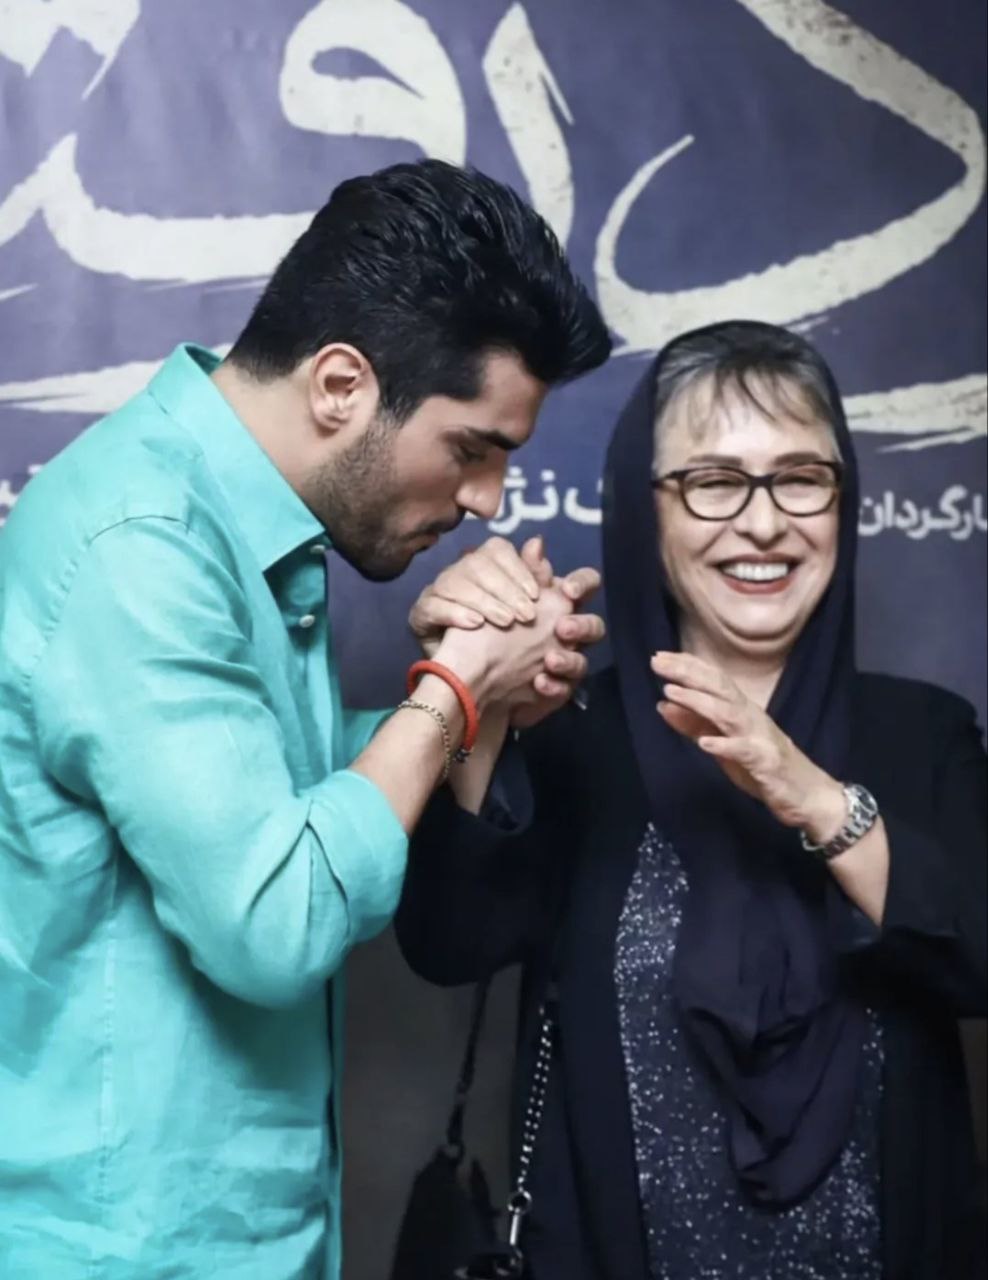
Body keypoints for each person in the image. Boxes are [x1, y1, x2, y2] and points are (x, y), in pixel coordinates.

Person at [0, 159, 612, 1280]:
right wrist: (454, 689)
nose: (488, 500)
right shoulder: (145, 541)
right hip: (119, 1252)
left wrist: (481, 700)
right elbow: (272, 915)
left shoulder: (247, 520)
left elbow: (272, 796)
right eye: (472, 448)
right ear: (340, 385)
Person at [396, 320, 987, 1280]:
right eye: (714, 482)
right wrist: (481, 704)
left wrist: (815, 797)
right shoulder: (575, 733)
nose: (764, 523)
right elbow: (447, 945)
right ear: (646, 509)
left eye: (801, 478)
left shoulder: (923, 735)